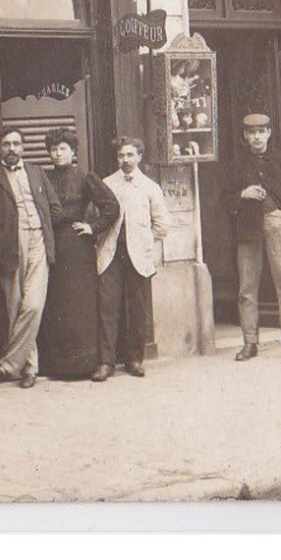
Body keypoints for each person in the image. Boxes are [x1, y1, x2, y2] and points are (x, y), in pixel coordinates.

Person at [0, 126, 60, 389]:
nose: (12, 149)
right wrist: (0, 240)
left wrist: (43, 224)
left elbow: (54, 208)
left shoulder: (37, 172)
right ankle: (29, 369)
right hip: (10, 245)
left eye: (17, 144)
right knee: (15, 307)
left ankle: (7, 365)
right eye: (7, 144)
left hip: (39, 242)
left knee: (33, 305)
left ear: (23, 147)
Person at [222, 113, 281, 362]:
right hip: (248, 229)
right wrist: (243, 193)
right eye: (252, 133)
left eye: (261, 132)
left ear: (269, 133)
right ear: (245, 136)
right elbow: (224, 199)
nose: (257, 137)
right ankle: (250, 343)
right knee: (247, 289)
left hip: (276, 223)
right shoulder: (237, 164)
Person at [37, 129, 120, 378]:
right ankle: (57, 365)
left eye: (63, 148)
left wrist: (92, 227)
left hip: (77, 246)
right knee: (56, 303)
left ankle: (83, 364)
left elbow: (111, 206)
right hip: (51, 243)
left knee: (79, 304)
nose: (57, 153)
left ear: (73, 151)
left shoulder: (85, 176)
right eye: (53, 149)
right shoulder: (43, 178)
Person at [92, 136, 172, 382]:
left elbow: (163, 224)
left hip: (139, 255)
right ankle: (106, 362)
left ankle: (134, 359)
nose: (125, 160)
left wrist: (145, 241)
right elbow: (97, 218)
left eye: (130, 155)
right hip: (111, 254)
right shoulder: (106, 184)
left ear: (139, 156)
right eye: (121, 156)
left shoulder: (150, 187)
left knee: (137, 310)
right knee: (108, 308)